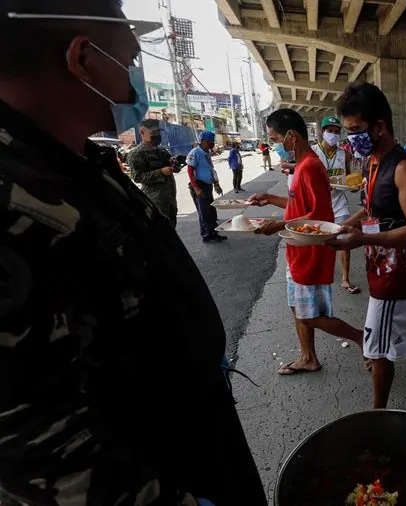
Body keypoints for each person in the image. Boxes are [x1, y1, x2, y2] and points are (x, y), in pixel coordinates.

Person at [0, 3, 267, 504]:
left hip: (190, 435)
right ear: (83, 60)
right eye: (128, 59)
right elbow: (35, 445)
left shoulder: (72, 162)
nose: (132, 79)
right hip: (151, 474)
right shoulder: (14, 204)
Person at [328, 82, 406, 411]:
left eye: (356, 129)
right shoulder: (372, 162)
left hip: (395, 277)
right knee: (399, 337)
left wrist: (364, 238)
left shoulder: (404, 168)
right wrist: (348, 224)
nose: (350, 138)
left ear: (380, 127)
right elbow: (372, 209)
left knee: (376, 349)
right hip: (380, 268)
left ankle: (377, 415)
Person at [248, 109, 363, 376]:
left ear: (291, 137)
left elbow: (320, 216)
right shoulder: (301, 166)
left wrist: (278, 224)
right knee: (295, 306)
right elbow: (301, 205)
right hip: (296, 249)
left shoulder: (310, 166)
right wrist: (271, 199)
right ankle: (308, 357)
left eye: (274, 138)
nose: (274, 144)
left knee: (308, 314)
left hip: (309, 251)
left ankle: (361, 337)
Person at [312, 115, 360, 294]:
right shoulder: (313, 152)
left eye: (336, 131)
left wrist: (354, 187)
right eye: (329, 131)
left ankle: (345, 279)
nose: (333, 134)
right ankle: (318, 273)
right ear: (322, 132)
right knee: (318, 239)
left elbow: (347, 179)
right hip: (319, 203)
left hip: (339, 203)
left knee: (344, 240)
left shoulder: (344, 154)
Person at [129, 118, 178, 226]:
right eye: (153, 133)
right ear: (142, 132)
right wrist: (160, 172)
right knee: (161, 233)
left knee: (171, 231)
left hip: (170, 200)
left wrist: (175, 163)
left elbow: (174, 168)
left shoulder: (162, 151)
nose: (157, 136)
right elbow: (137, 177)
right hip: (155, 203)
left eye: (158, 132)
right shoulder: (136, 154)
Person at [187, 130, 226, 243]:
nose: (212, 144)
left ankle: (213, 232)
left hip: (207, 185)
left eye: (212, 142)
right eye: (210, 142)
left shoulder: (206, 153)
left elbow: (210, 170)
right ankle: (207, 234)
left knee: (211, 210)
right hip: (199, 185)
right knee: (204, 212)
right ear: (203, 141)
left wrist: (216, 184)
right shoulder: (195, 153)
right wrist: (196, 188)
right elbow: (190, 171)